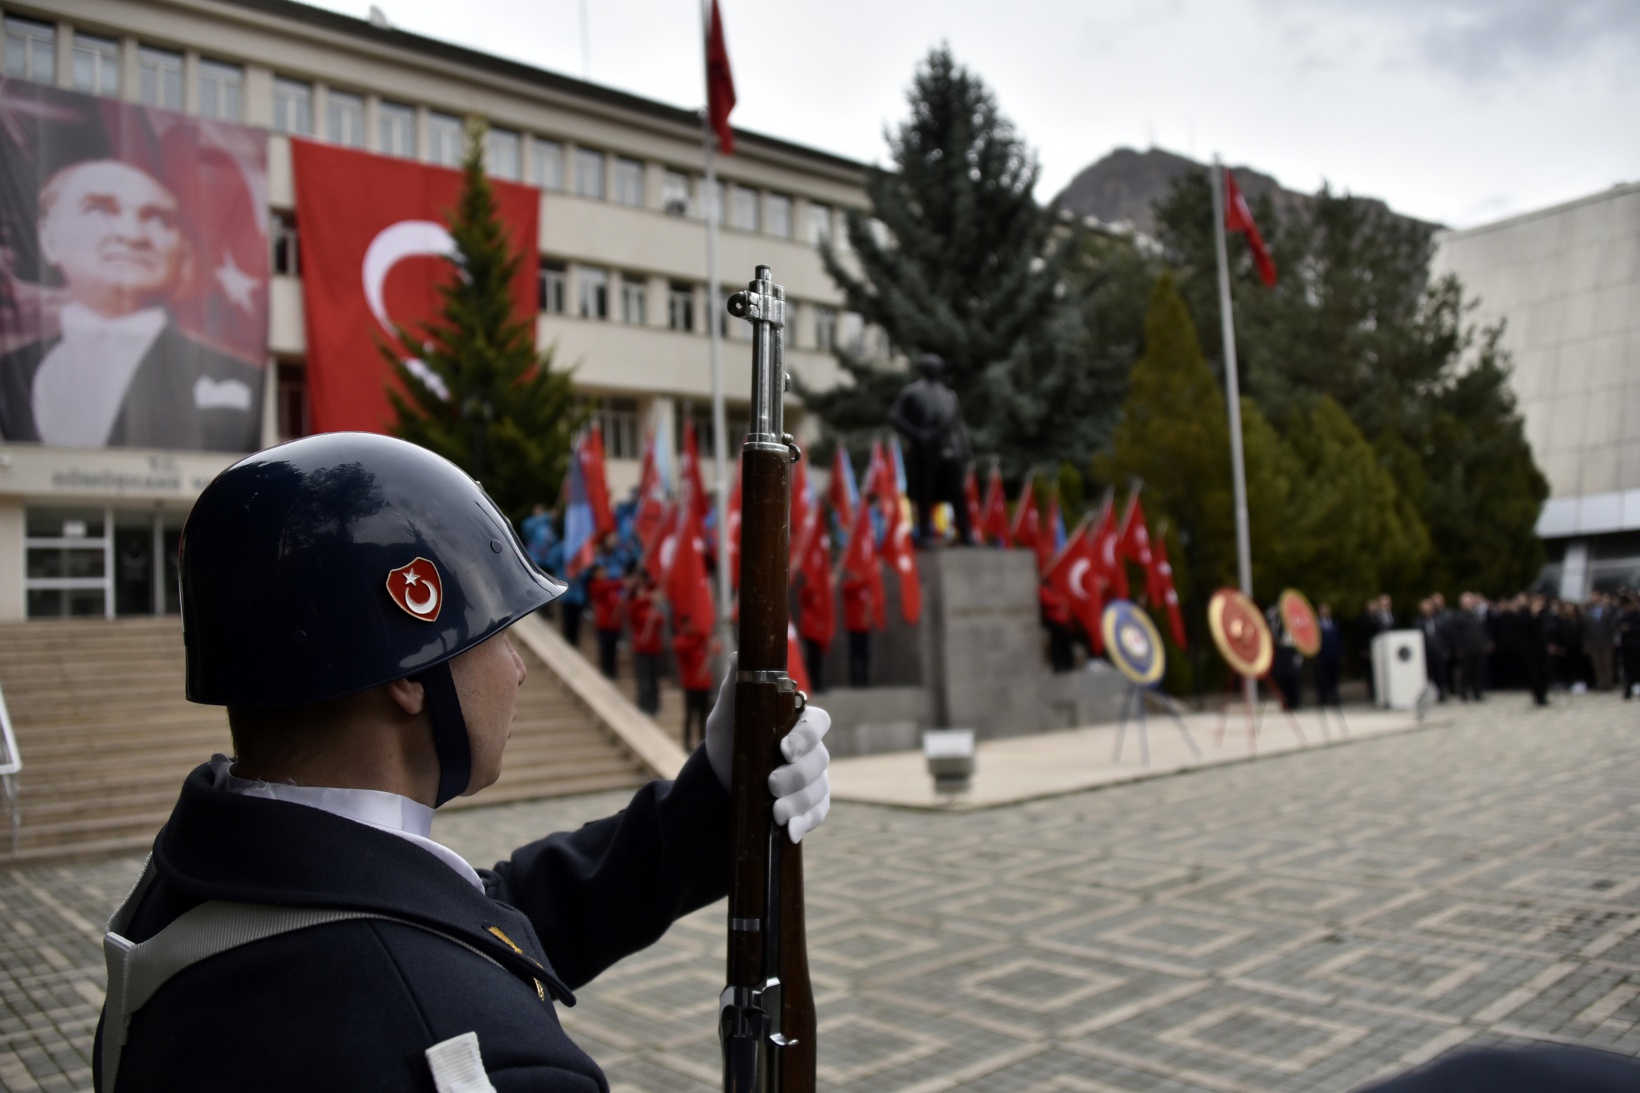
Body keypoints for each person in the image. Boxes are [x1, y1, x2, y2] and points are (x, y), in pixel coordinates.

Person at [92, 432, 832, 1093]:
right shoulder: (483, 1060)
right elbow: (433, 961)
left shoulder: (197, 886)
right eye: (499, 633)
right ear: (410, 675)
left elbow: (476, 920)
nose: (519, 670)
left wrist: (713, 794)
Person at [0, 159, 263, 451]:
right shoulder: (10, 369)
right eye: (101, 209)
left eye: (159, 219)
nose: (132, 235)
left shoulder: (236, 377)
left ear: (183, 248)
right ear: (49, 238)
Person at [887, 353, 973, 545]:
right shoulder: (912, 392)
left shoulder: (949, 395)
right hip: (924, 452)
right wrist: (917, 434)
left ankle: (966, 533)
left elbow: (958, 425)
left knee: (957, 493)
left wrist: (965, 451)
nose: (937, 369)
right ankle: (925, 533)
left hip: (949, 450)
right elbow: (894, 416)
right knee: (924, 493)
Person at [627, 569, 664, 716]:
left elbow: (661, 622)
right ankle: (644, 705)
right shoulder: (635, 606)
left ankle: (655, 705)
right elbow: (632, 613)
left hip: (654, 647)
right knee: (644, 679)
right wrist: (646, 598)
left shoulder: (652, 609)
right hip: (641, 647)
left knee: (654, 679)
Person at [673, 623, 715, 749]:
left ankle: (703, 742)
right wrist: (700, 638)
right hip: (691, 685)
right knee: (690, 714)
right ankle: (687, 742)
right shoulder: (681, 641)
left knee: (703, 715)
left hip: (704, 685)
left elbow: (716, 648)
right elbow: (685, 649)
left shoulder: (702, 642)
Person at [587, 563, 625, 680]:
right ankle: (605, 671)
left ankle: (612, 671)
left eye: (603, 571)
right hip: (604, 624)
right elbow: (604, 590)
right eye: (600, 572)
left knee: (613, 649)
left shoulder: (611, 590)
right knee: (605, 649)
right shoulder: (595, 586)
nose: (602, 574)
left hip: (614, 624)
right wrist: (622, 582)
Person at [842, 569, 874, 688]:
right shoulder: (849, 586)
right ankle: (854, 680)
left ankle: (865, 679)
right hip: (853, 626)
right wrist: (865, 580)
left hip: (864, 627)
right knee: (854, 654)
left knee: (864, 654)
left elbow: (868, 604)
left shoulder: (864, 588)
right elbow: (853, 589)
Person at [1584, 591, 1618, 692]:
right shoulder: (1588, 612)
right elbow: (1586, 630)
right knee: (1597, 665)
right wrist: (1587, 643)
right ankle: (1601, 683)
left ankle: (1608, 683)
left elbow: (1612, 627)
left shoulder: (1607, 611)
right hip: (1593, 642)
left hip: (1606, 642)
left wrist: (1613, 641)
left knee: (1607, 664)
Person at [1416, 598, 1449, 701]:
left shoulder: (1439, 620)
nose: (1427, 610)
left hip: (1438, 651)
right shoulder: (1418, 622)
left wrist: (1445, 649)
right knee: (1427, 675)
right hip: (1425, 652)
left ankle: (1441, 694)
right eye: (1425, 609)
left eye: (1429, 608)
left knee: (1440, 673)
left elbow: (1444, 636)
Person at [1315, 602, 1343, 709]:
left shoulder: (1334, 623)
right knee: (1321, 677)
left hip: (1333, 654)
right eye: (1322, 610)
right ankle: (1323, 697)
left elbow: (1339, 639)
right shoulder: (1316, 625)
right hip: (1321, 655)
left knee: (1334, 676)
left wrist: (1340, 652)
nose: (1324, 612)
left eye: (1326, 610)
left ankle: (1334, 696)